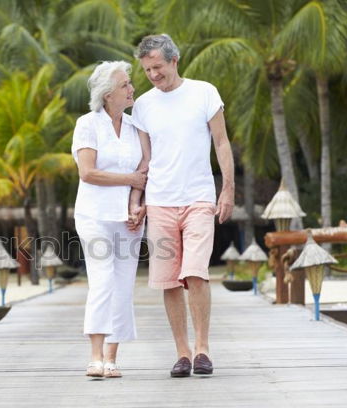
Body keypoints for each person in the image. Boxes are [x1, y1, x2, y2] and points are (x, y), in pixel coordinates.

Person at [129, 34, 235, 377]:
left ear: (175, 60)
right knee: (168, 281)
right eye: (147, 70)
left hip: (199, 199)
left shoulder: (204, 92)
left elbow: (221, 142)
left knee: (195, 273)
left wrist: (228, 189)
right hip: (159, 203)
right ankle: (183, 353)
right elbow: (145, 161)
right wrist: (138, 200)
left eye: (157, 66)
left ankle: (203, 349)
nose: (153, 74)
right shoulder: (142, 105)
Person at [72, 61, 148, 378]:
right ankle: (95, 356)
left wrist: (136, 207)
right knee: (102, 281)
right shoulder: (87, 124)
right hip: (94, 216)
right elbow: (88, 173)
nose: (132, 89)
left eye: (130, 83)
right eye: (125, 85)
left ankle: (112, 357)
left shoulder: (135, 127)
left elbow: (144, 172)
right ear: (107, 94)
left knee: (123, 285)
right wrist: (129, 179)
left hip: (128, 220)